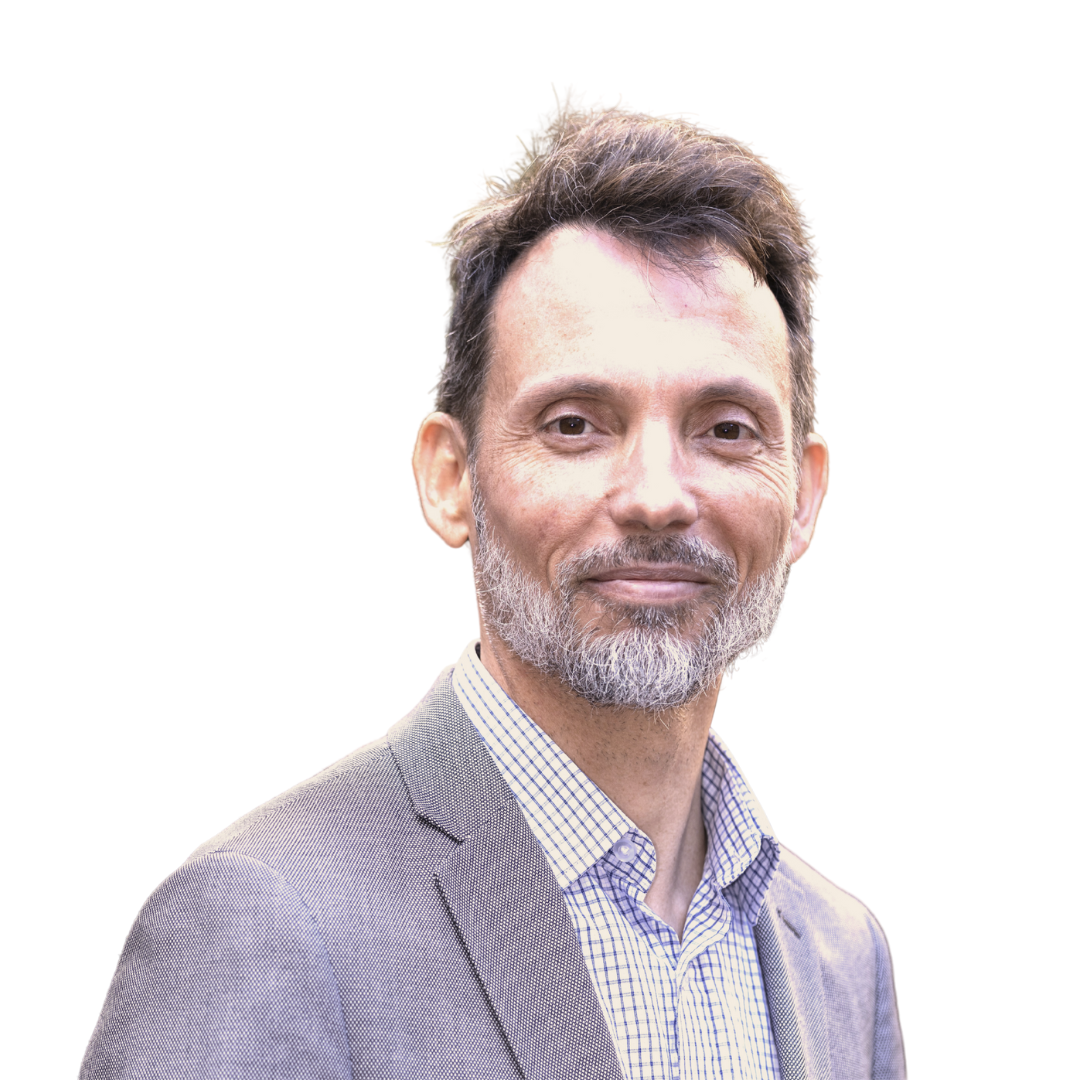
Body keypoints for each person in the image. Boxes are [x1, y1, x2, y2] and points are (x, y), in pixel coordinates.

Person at [82, 108, 904, 1080]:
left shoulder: (842, 958)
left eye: (725, 429)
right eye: (574, 423)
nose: (655, 495)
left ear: (803, 495)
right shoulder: (264, 922)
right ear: (449, 476)